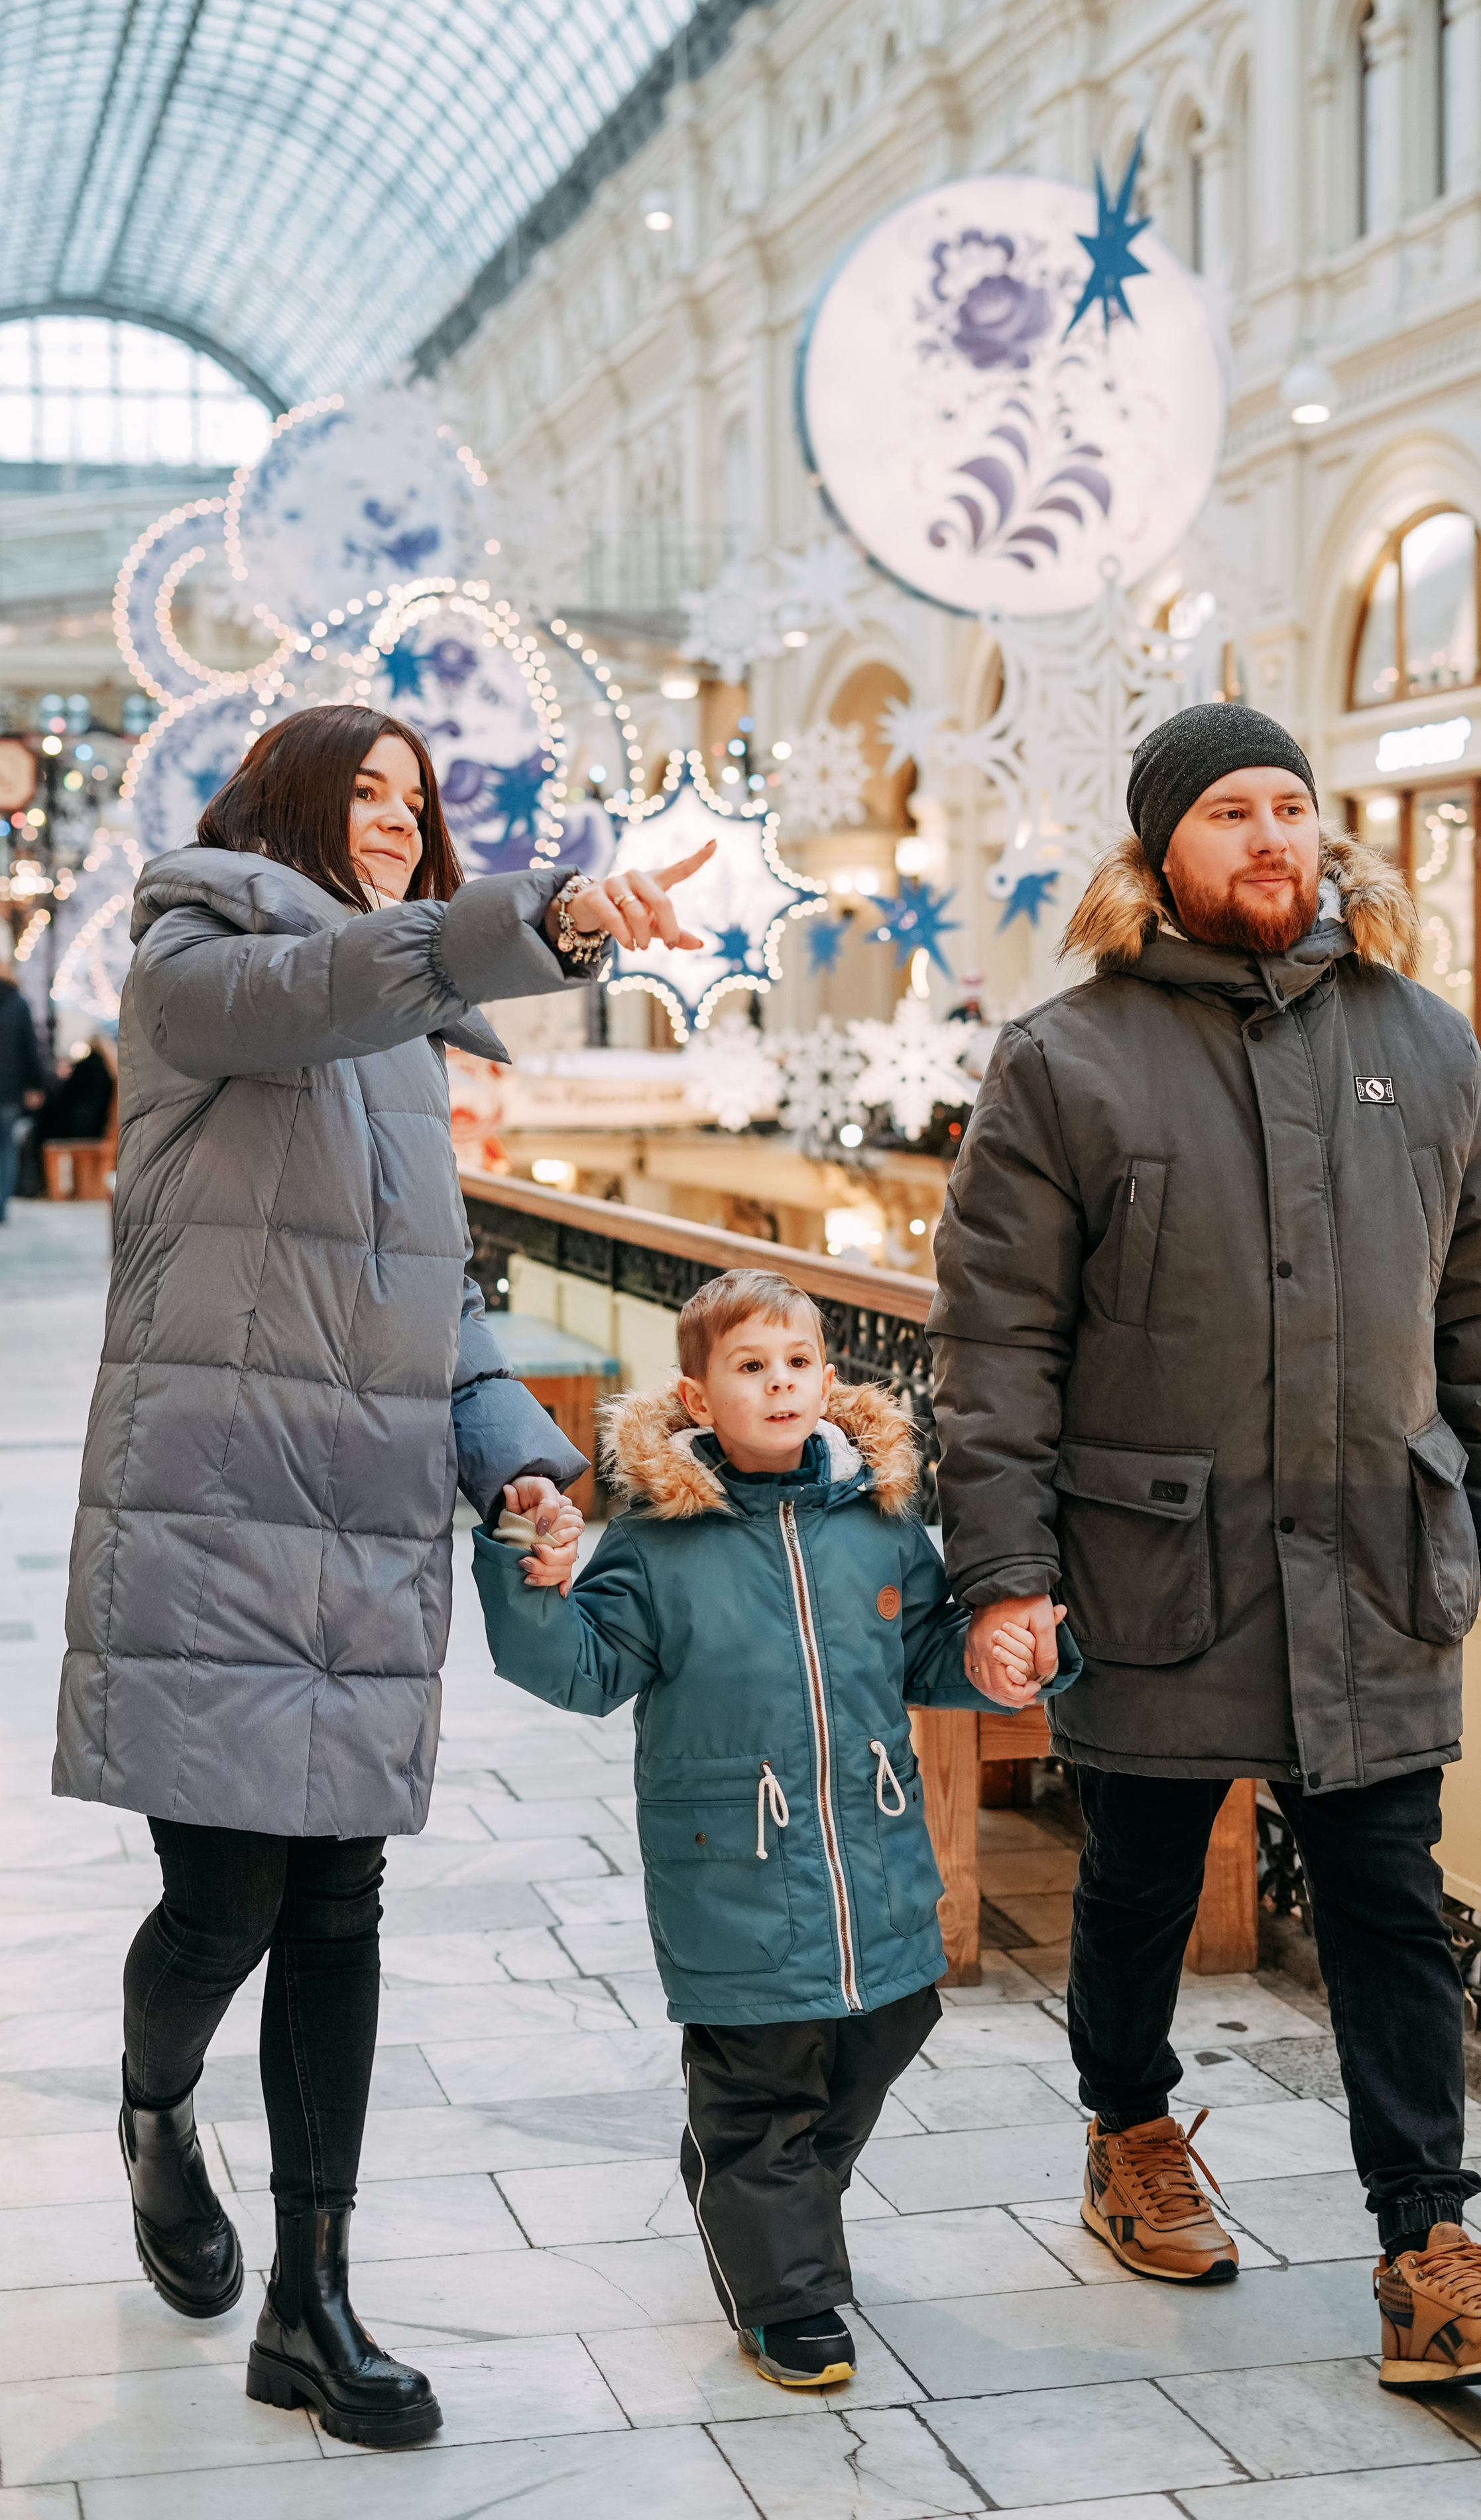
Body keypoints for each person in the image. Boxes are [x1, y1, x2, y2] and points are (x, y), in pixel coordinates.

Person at [51, 700, 711, 2448]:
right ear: (280, 807)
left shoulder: (398, 1032)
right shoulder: (193, 963)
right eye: (366, 793)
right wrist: (551, 917)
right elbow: (317, 989)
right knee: (225, 1911)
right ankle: (151, 2102)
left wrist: (516, 1458)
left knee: (339, 1905)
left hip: (361, 1520)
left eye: (418, 801)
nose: (402, 821)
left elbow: (443, 1289)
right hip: (209, 1518)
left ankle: (309, 2306)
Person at [929, 699, 1481, 2391]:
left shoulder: (1421, 1042)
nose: (1271, 836)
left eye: (1290, 804)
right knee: (1137, 1870)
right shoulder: (1063, 1060)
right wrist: (1001, 1569)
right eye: (1228, 810)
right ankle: (1129, 2128)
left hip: (1368, 1554)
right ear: (1156, 855)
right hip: (1161, 1560)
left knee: (1384, 1898)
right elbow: (995, 1343)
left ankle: (1424, 2245)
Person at [473, 1269, 1079, 2388]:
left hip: (874, 1854)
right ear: (700, 1399)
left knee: (889, 2025)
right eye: (751, 1367)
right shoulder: (659, 1541)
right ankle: (787, 2294)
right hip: (735, 1869)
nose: (781, 1383)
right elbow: (584, 1668)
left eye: (798, 1363)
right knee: (762, 2085)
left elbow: (929, 1651)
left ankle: (780, 2192)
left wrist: (1000, 1664)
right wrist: (529, 1578)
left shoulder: (880, 1519)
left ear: (829, 1381)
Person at [0, 954, 46, 1220]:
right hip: (8, 1092)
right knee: (6, 1147)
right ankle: (2, 1204)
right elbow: (30, 1049)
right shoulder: (18, 1004)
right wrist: (36, 1086)